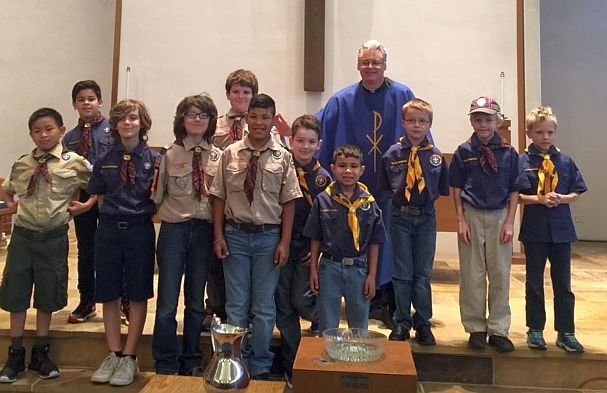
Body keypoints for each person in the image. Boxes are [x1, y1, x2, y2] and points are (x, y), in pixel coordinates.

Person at [316, 39, 418, 322]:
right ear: (358, 66)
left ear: (385, 65)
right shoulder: (342, 100)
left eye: (376, 62)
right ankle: (361, 298)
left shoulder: (403, 95)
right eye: (365, 62)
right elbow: (315, 131)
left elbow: (421, 133)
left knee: (390, 242)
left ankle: (390, 301)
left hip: (390, 189)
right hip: (351, 189)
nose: (371, 67)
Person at [209, 93, 301, 380]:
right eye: (254, 116)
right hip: (235, 236)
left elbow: (289, 203)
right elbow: (219, 198)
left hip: (268, 239)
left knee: (263, 306)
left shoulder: (283, 157)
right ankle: (237, 362)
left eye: (265, 117)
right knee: (236, 304)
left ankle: (260, 363)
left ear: (273, 121)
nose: (259, 122)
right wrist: (218, 236)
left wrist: (284, 242)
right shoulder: (230, 153)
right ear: (246, 118)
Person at [0, 108, 94, 383]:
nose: (43, 135)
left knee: (47, 293)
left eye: (49, 129)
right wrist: (11, 203)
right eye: (37, 130)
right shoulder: (23, 163)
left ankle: (41, 351)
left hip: (53, 238)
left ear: (62, 130)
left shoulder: (74, 162)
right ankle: (15, 353)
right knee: (16, 292)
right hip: (23, 237)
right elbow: (8, 188)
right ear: (31, 134)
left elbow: (98, 184)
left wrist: (87, 204)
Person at [88, 99, 159, 386]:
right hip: (108, 229)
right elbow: (99, 195)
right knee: (108, 292)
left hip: (139, 229)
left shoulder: (154, 159)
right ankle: (114, 353)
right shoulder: (105, 157)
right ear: (114, 124)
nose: (127, 123)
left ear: (142, 122)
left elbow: (156, 198)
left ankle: (130, 357)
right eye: (122, 119)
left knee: (138, 291)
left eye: (133, 118)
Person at [449, 96, 528, 353]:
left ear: (498, 121)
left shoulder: (508, 152)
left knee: (500, 274)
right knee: (472, 274)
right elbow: (456, 187)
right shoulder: (464, 151)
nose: (483, 124)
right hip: (471, 214)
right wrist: (460, 219)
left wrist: (510, 222)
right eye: (478, 119)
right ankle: (475, 327)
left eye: (488, 119)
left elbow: (515, 189)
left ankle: (498, 329)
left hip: (499, 215)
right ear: (471, 121)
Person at [151, 95, 222, 375]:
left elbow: (220, 199)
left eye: (203, 115)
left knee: (195, 300)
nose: (196, 120)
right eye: (191, 115)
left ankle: (191, 358)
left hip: (203, 232)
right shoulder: (169, 155)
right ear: (181, 119)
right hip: (174, 232)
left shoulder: (218, 156)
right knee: (167, 300)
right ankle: (165, 361)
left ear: (210, 121)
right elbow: (157, 197)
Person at [379, 99, 449, 345]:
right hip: (400, 216)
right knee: (402, 273)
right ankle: (401, 322)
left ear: (429, 124)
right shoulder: (392, 154)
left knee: (422, 274)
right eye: (411, 120)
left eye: (422, 121)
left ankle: (423, 323)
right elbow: (387, 187)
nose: (416, 125)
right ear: (403, 123)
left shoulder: (436, 156)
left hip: (426, 217)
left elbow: (440, 189)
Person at [518, 106, 587, 353]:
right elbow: (517, 196)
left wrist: (562, 198)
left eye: (549, 132)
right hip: (535, 230)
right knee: (534, 282)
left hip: (561, 229)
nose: (545, 137)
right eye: (539, 132)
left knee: (563, 283)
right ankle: (535, 329)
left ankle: (566, 331)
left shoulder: (565, 161)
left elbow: (577, 191)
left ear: (555, 132)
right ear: (529, 133)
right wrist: (539, 199)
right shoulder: (522, 161)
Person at [304, 144, 387, 335]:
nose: (348, 171)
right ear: (333, 168)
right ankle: (330, 363)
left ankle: (356, 364)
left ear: (362, 170)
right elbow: (315, 238)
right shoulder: (323, 200)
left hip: (359, 270)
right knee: (328, 326)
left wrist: (372, 276)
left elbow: (375, 242)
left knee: (359, 328)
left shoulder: (369, 203)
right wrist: (314, 270)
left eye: (353, 166)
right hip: (330, 268)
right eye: (342, 165)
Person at [275, 115, 330, 387]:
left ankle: (322, 320)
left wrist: (318, 249)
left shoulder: (323, 179)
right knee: (283, 306)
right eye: (300, 141)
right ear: (291, 142)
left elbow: (329, 219)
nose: (305, 147)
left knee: (300, 300)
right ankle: (291, 363)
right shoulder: (281, 169)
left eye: (311, 142)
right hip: (282, 245)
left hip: (309, 249)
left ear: (319, 144)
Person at [206, 69, 259, 324]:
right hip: (218, 197)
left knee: (245, 263)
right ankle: (216, 307)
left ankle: (245, 311)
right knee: (217, 258)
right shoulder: (215, 125)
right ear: (227, 94)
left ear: (254, 95)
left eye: (246, 92)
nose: (241, 96)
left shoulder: (261, 124)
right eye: (235, 91)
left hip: (248, 201)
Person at [62, 80, 114, 324]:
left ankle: (119, 300)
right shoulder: (70, 138)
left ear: (100, 102)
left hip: (110, 197)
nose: (86, 103)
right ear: (74, 104)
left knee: (114, 250)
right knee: (86, 250)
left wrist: (98, 198)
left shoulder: (113, 129)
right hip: (82, 198)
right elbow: (68, 173)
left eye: (91, 98)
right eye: (81, 99)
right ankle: (87, 300)